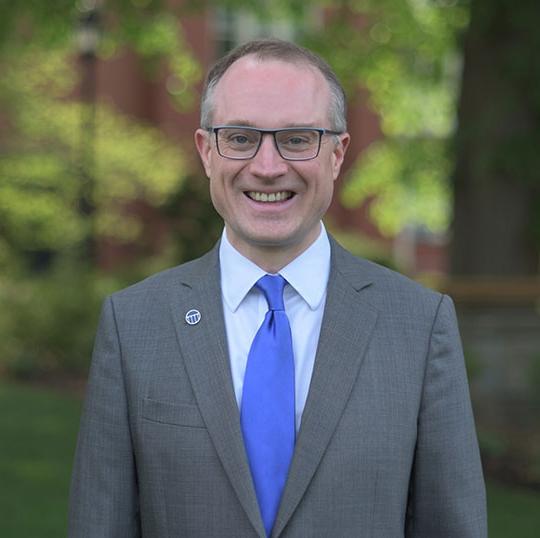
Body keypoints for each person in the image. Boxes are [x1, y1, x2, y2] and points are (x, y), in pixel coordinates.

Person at [68, 39, 487, 538]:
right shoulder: (134, 324)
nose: (267, 166)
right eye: (241, 138)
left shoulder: (420, 325)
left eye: (296, 138)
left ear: (337, 153)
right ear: (206, 151)